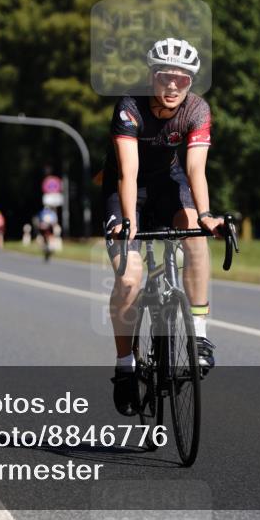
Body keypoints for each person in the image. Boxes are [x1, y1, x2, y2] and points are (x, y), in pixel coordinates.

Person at [102, 37, 224, 416]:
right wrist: (128, 222)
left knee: (195, 235)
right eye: (165, 77)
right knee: (128, 280)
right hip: (127, 190)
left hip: (170, 186)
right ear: (151, 76)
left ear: (190, 82)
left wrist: (205, 215)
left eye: (182, 80)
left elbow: (195, 169)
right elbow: (128, 169)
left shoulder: (197, 110)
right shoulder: (130, 107)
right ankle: (125, 366)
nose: (173, 86)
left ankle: (199, 337)